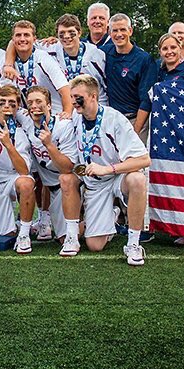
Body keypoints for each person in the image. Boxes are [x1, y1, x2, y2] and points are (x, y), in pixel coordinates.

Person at [60, 75, 150, 265]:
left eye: (78, 96)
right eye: (71, 96)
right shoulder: (75, 120)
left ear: (93, 96)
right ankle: (111, 215)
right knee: (94, 245)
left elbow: (144, 159)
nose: (73, 101)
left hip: (116, 176)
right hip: (95, 183)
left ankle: (133, 244)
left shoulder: (114, 118)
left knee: (138, 179)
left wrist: (107, 169)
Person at [0, 85, 36, 253]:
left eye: (12, 103)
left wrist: (9, 145)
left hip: (11, 179)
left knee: (26, 183)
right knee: (6, 233)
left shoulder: (21, 132)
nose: (7, 106)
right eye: (2, 102)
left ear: (18, 106)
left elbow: (24, 171)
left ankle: (24, 234)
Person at [21, 86, 78, 255]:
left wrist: (49, 145)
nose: (34, 106)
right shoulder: (26, 120)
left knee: (93, 242)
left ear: (50, 105)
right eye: (30, 102)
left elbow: (67, 167)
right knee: (61, 238)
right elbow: (3, 100)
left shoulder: (63, 126)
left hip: (69, 186)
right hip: (52, 189)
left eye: (39, 101)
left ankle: (105, 216)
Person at [103, 13, 158, 142]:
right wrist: (55, 42)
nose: (119, 34)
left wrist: (136, 130)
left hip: (135, 119)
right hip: (112, 119)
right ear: (109, 33)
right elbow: (80, 49)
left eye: (123, 29)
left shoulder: (144, 59)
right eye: (115, 30)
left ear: (130, 31)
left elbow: (147, 99)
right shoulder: (103, 53)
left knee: (136, 160)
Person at [0, 20, 72, 114]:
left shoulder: (43, 58)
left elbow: (65, 89)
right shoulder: (7, 64)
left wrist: (67, 113)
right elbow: (5, 94)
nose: (22, 39)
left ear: (34, 39)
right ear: (13, 39)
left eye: (26, 35)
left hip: (54, 113)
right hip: (29, 116)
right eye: (18, 35)